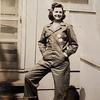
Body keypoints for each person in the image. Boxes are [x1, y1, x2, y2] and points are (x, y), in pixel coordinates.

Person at [24, 2, 78, 100]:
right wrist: (44, 53)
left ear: (63, 13)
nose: (58, 14)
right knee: (29, 77)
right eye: (56, 11)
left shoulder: (67, 26)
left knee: (60, 93)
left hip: (61, 63)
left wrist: (65, 54)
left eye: (60, 12)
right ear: (52, 12)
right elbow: (41, 42)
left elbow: (74, 44)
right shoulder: (46, 27)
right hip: (47, 59)